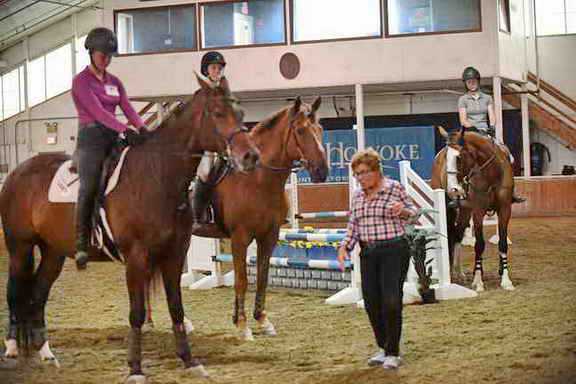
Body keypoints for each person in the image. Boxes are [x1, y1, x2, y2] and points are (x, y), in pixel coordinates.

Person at [72, 27, 147, 270]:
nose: (106, 58)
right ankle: (82, 242)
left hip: (114, 136)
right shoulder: (81, 81)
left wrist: (142, 128)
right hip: (91, 138)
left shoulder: (115, 82)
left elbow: (127, 108)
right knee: (90, 184)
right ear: (91, 53)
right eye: (102, 54)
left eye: (109, 54)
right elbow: (97, 112)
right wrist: (124, 129)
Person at [337, 148, 418, 370]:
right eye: (357, 174)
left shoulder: (394, 189)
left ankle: (393, 352)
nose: (360, 178)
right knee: (371, 302)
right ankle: (382, 347)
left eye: (364, 172)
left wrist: (403, 210)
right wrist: (344, 246)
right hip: (368, 253)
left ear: (376, 171)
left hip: (394, 250)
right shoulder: (357, 196)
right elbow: (353, 226)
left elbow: (415, 212)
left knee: (391, 300)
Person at [446, 66, 525, 203]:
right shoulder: (463, 100)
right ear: (465, 83)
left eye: (474, 81)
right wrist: (474, 128)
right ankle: (457, 191)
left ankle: (510, 191)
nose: (472, 83)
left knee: (507, 155)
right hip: (470, 133)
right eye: (469, 81)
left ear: (478, 81)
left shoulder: (487, 98)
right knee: (458, 158)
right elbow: (463, 120)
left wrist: (492, 126)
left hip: (485, 131)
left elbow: (492, 115)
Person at [190, 51, 227, 225]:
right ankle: (199, 213)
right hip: (206, 142)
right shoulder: (200, 93)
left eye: (219, 68)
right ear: (206, 70)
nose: (217, 70)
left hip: (225, 139)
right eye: (214, 67)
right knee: (205, 172)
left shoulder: (224, 90)